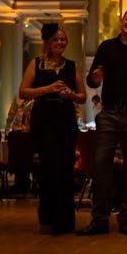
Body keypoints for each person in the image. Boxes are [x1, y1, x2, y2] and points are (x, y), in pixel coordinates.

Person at [77, 7, 127, 237]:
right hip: (108, 112)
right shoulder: (106, 47)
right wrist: (95, 78)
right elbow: (92, 81)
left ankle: (126, 217)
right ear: (121, 21)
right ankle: (99, 219)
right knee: (101, 164)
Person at [18, 22, 85, 235]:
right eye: (56, 39)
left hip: (65, 118)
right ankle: (47, 219)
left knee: (65, 169)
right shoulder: (36, 63)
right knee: (49, 168)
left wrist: (70, 95)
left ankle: (65, 222)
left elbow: (82, 96)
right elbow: (23, 92)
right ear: (48, 42)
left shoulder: (72, 65)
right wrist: (47, 89)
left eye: (63, 39)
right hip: (44, 118)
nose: (60, 42)